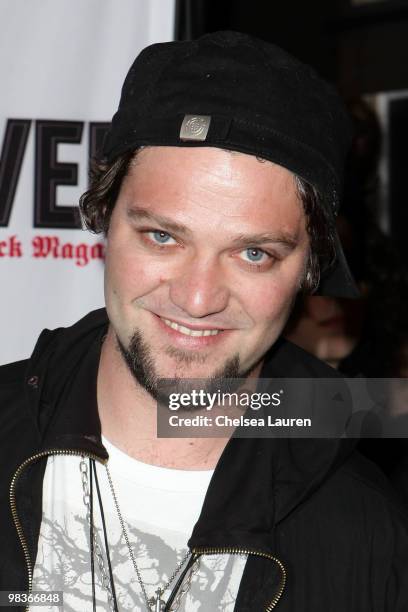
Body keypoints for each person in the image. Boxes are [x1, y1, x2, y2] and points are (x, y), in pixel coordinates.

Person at [1, 31, 407, 612]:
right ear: (103, 222)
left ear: (308, 272)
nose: (197, 299)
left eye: (253, 254)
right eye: (162, 237)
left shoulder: (370, 540)